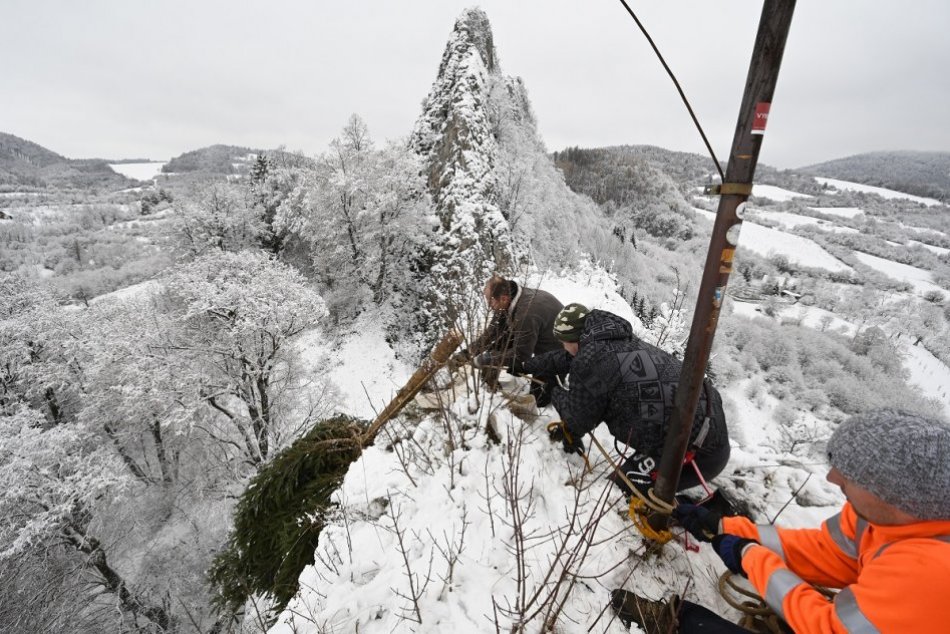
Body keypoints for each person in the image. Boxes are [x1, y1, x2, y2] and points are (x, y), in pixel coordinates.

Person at [614, 409, 950, 633]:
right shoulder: (884, 517)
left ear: (892, 493)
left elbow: (828, 628)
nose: (833, 478)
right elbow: (825, 552)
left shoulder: (932, 572)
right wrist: (723, 528)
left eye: (851, 474)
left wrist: (751, 558)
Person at [522, 303, 730, 497]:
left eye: (563, 342)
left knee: (617, 493)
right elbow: (565, 359)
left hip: (693, 448)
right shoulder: (610, 340)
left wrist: (554, 391)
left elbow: (578, 420)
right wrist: (525, 366)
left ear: (573, 340)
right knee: (626, 484)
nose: (563, 347)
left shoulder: (589, 361)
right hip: (709, 415)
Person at [451, 276, 564, 406]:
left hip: (558, 348)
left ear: (504, 298)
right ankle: (489, 382)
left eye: (490, 301)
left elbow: (520, 356)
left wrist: (485, 359)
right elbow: (493, 333)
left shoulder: (526, 314)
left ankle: (559, 378)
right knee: (500, 342)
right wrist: (468, 353)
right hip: (538, 332)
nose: (489, 305)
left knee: (539, 398)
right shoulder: (510, 298)